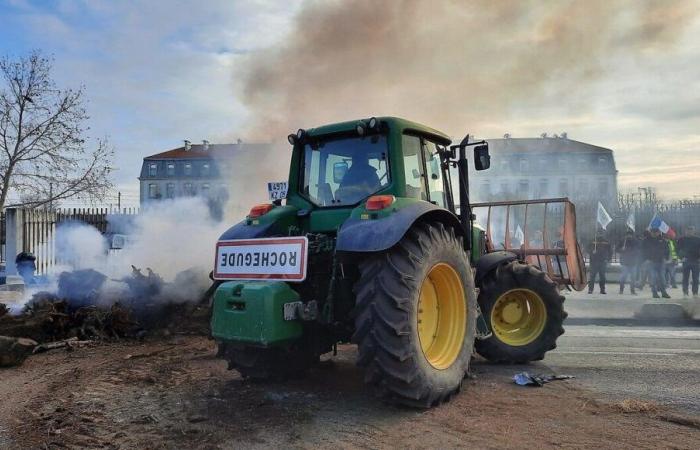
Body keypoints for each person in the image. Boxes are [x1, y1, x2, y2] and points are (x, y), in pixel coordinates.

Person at [642, 227, 670, 299]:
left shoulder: (662, 240)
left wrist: (666, 258)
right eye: (653, 232)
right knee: (653, 278)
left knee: (662, 278)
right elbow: (642, 251)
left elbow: (667, 249)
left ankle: (663, 292)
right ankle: (654, 293)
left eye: (656, 232)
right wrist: (645, 259)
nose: (654, 233)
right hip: (651, 262)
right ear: (651, 232)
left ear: (658, 232)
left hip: (660, 262)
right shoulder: (646, 241)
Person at [677, 226, 700, 299]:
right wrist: (681, 257)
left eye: (691, 230)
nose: (689, 231)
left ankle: (695, 293)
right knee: (685, 278)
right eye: (688, 230)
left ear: (694, 231)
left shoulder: (698, 239)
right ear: (685, 231)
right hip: (686, 261)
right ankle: (685, 293)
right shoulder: (681, 239)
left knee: (695, 278)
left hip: (696, 261)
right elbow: (678, 249)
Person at [617, 230, 639, 295]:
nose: (629, 236)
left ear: (632, 235)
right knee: (623, 277)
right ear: (626, 235)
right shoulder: (623, 241)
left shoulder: (635, 241)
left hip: (633, 262)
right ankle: (621, 289)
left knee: (633, 278)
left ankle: (632, 290)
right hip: (625, 262)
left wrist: (628, 251)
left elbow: (638, 250)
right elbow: (617, 249)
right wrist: (621, 249)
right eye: (628, 235)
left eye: (630, 235)